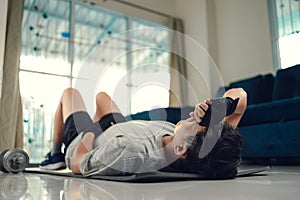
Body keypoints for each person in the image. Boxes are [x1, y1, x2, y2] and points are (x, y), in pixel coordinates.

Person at [40, 87, 246, 179]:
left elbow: (78, 163)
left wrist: (92, 132)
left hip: (86, 139)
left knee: (70, 93)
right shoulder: (200, 148)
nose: (194, 115)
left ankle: (55, 154)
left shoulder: (129, 152)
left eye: (196, 122)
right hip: (117, 129)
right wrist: (221, 106)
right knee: (102, 97)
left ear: (182, 148)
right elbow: (241, 98)